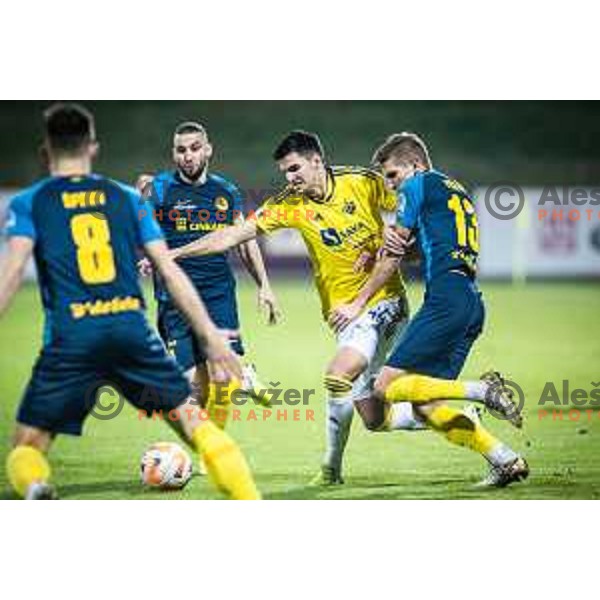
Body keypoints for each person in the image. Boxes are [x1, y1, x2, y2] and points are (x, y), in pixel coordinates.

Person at [0, 103, 260, 499]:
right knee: (197, 426)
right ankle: (249, 500)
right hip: (130, 331)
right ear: (93, 148)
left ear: (45, 151)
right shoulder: (126, 198)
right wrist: (210, 333)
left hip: (72, 337)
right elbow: (169, 271)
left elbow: (12, 273)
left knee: (26, 446)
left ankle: (35, 487)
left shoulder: (29, 202)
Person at [164, 130, 427, 485]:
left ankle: (330, 470)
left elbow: (417, 204)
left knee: (338, 375)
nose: (289, 179)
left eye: (294, 169)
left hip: (382, 302)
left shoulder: (363, 182)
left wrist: (398, 243)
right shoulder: (291, 203)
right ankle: (453, 409)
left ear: (317, 160)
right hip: (340, 313)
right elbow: (232, 235)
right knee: (373, 417)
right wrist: (175, 253)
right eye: (284, 172)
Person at [352, 132, 528, 488]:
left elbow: (396, 249)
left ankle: (481, 391)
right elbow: (425, 247)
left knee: (384, 387)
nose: (390, 185)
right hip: (471, 301)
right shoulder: (454, 190)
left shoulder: (416, 186)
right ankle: (505, 459)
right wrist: (390, 248)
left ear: (415, 165)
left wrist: (362, 292)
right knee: (425, 404)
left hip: (446, 296)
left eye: (392, 175)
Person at [137, 122, 281, 428]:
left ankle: (216, 447)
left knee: (219, 376)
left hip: (218, 293)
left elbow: (245, 239)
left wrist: (264, 285)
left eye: (194, 148)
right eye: (181, 150)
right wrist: (149, 256)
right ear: (173, 154)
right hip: (175, 297)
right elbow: (144, 229)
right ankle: (242, 377)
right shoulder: (160, 188)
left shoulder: (225, 191)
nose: (188, 156)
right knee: (194, 385)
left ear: (208, 150)